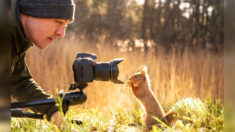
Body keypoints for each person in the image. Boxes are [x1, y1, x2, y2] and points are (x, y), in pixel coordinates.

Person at [10, 0, 75, 126]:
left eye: (65, 25)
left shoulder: (16, 37)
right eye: (58, 21)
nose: (61, 33)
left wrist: (55, 115)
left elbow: (20, 83)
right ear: (31, 11)